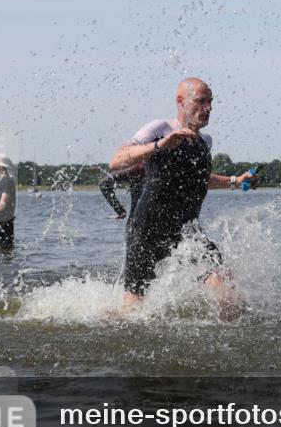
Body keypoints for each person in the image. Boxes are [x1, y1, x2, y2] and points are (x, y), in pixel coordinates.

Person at [109, 78, 257, 305]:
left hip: (187, 232)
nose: (208, 107)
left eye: (210, 102)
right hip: (148, 230)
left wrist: (236, 181)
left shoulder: (205, 141)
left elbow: (196, 180)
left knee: (226, 288)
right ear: (181, 102)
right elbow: (117, 161)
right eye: (200, 101)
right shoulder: (159, 129)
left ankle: (225, 338)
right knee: (135, 306)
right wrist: (159, 145)